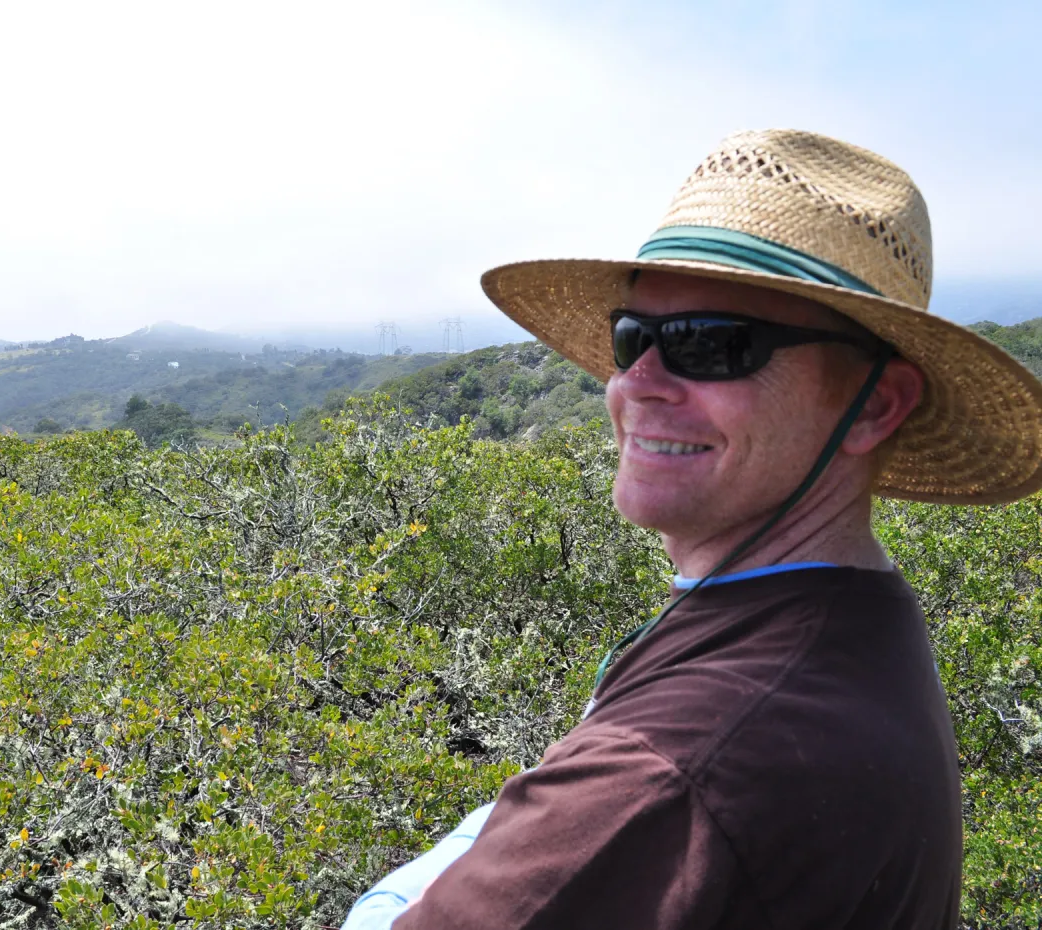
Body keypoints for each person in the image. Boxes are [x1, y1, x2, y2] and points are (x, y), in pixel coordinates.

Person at [341, 129, 1042, 929]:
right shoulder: (851, 621)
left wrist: (392, 897)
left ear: (875, 405)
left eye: (712, 345)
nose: (636, 383)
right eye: (631, 338)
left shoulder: (684, 766)